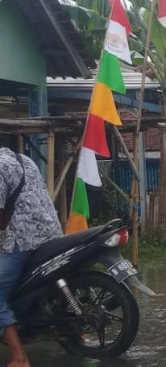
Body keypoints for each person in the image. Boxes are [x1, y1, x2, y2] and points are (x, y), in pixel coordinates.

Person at [0, 144, 62, 367]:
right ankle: (78, 335)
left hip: (23, 239)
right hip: (51, 232)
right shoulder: (24, 159)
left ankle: (19, 357)